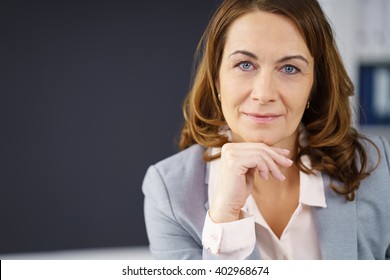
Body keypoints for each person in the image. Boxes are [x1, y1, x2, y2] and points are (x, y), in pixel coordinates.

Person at [142, 0, 390, 260]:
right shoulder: (169, 192)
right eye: (245, 65)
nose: (264, 94)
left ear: (314, 84)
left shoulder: (378, 169)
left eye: (290, 68)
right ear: (217, 78)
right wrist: (224, 221)